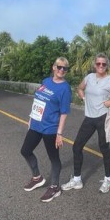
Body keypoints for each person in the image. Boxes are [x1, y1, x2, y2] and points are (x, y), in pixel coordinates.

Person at [62, 53, 110, 193]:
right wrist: (83, 98)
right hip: (89, 118)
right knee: (77, 147)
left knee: (104, 148)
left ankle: (107, 180)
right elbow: (80, 88)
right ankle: (77, 180)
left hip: (103, 117)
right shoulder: (89, 77)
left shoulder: (109, 80)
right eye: (98, 63)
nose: (101, 66)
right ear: (94, 65)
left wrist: (108, 103)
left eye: (103, 64)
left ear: (107, 66)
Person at [21, 57, 72, 203]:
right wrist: (31, 117)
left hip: (50, 128)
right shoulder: (46, 81)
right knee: (25, 150)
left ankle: (55, 187)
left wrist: (59, 133)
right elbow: (38, 100)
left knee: (53, 158)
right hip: (36, 124)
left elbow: (64, 112)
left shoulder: (65, 89)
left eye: (65, 68)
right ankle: (37, 178)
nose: (61, 70)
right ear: (54, 67)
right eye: (59, 67)